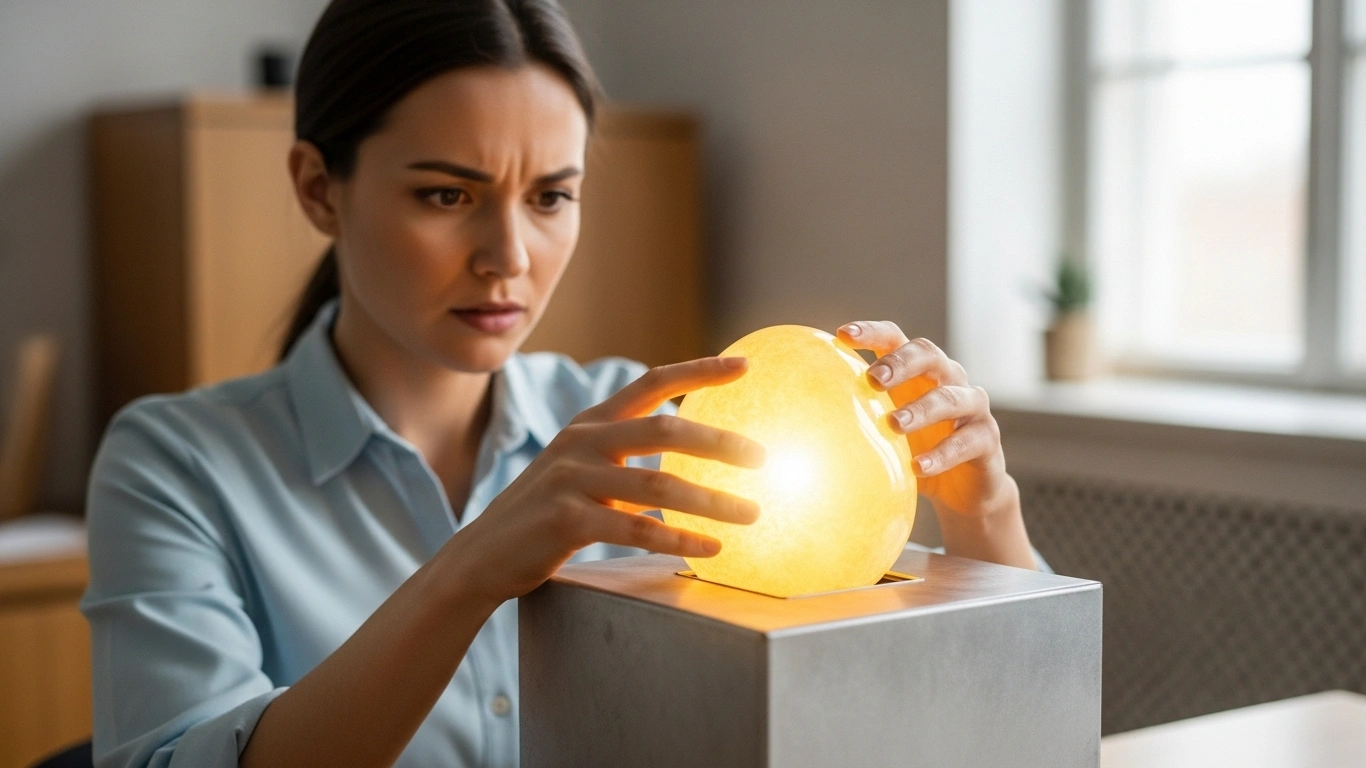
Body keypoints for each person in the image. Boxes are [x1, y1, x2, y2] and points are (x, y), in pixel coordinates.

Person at [80, 1, 1041, 766]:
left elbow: (1006, 723)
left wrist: (981, 513)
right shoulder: (175, 463)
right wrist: (470, 570)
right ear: (318, 188)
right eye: (447, 194)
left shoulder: (659, 433)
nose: (508, 256)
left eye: (550, 197)